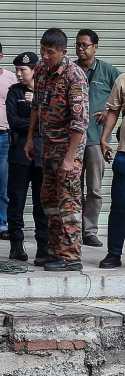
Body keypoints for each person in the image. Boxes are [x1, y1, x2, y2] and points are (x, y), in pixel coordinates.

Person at [25, 28, 89, 272]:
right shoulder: (41, 70)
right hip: (47, 149)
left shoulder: (75, 76)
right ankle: (55, 251)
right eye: (42, 50)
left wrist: (70, 159)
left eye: (50, 52)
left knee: (68, 204)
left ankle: (71, 257)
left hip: (67, 152)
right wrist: (30, 138)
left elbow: (79, 122)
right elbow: (36, 105)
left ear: (63, 52)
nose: (45, 56)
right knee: (49, 202)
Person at [75, 29, 120, 247]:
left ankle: (89, 231)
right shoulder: (70, 70)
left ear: (95, 47)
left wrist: (107, 112)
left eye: (85, 45)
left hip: (95, 140)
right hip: (72, 140)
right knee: (72, 188)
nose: (81, 49)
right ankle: (73, 229)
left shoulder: (109, 71)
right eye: (78, 45)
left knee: (93, 189)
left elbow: (119, 100)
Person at [5, 51, 49, 263]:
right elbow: (13, 121)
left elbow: (56, 120)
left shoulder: (47, 91)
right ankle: (16, 244)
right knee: (16, 200)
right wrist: (38, 124)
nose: (18, 74)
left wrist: (37, 107)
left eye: (23, 70)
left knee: (42, 204)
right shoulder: (14, 92)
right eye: (17, 70)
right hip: (19, 154)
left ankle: (43, 245)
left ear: (35, 70)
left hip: (44, 156)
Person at [0, 39, 18, 240]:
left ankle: (0, 225)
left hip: (6, 137)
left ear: (0, 56)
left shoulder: (11, 78)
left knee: (2, 185)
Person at [98, 73, 125, 268]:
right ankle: (114, 253)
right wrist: (104, 138)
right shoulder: (123, 80)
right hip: (124, 154)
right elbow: (113, 111)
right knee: (119, 207)